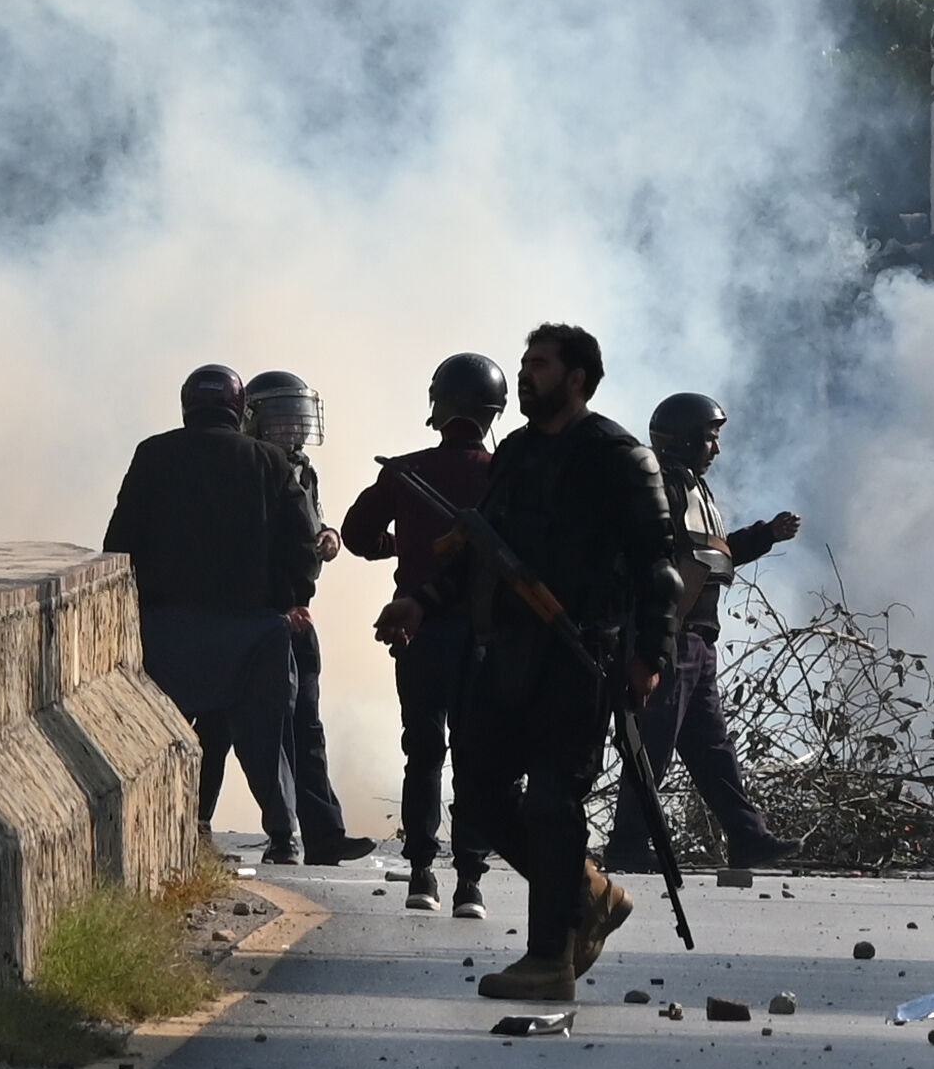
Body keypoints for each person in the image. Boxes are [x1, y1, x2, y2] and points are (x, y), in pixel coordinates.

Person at [446, 324, 678, 1003]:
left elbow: (657, 570)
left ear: (577, 377)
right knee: (483, 796)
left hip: (581, 655)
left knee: (552, 801)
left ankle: (550, 955)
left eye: (540, 366)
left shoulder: (620, 457)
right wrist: (421, 600)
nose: (525, 376)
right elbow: (483, 545)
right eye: (523, 364)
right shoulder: (514, 452)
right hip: (508, 650)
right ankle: (587, 890)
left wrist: (651, 654)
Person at [104, 364, 322, 863]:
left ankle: (177, 835)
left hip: (168, 629)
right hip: (253, 632)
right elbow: (302, 545)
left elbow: (118, 543)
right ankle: (284, 838)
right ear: (239, 409)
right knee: (266, 740)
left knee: (169, 735)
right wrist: (295, 602)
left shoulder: (153, 454)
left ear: (187, 407)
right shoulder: (269, 460)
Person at [599, 392, 805, 875]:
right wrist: (649, 642)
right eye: (710, 438)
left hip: (695, 643)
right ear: (687, 439)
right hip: (668, 640)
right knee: (651, 746)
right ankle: (627, 843)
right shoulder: (661, 487)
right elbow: (644, 561)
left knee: (711, 749)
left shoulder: (693, 490)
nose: (716, 449)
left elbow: (715, 553)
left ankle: (749, 838)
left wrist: (766, 535)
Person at [342, 352, 508, 915]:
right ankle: (471, 882)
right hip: (488, 636)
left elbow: (356, 533)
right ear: (495, 412)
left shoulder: (405, 471)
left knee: (423, 750)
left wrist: (400, 549)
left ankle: (420, 875)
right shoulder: (505, 476)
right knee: (476, 756)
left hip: (418, 629)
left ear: (438, 407)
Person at [242, 369, 378, 866]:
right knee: (269, 726)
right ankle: (282, 835)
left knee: (307, 725)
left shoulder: (304, 469)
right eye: (279, 419)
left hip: (300, 611)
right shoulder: (250, 467)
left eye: (296, 418)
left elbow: (308, 525)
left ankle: (324, 833)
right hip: (268, 613)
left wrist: (330, 537)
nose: (292, 429)